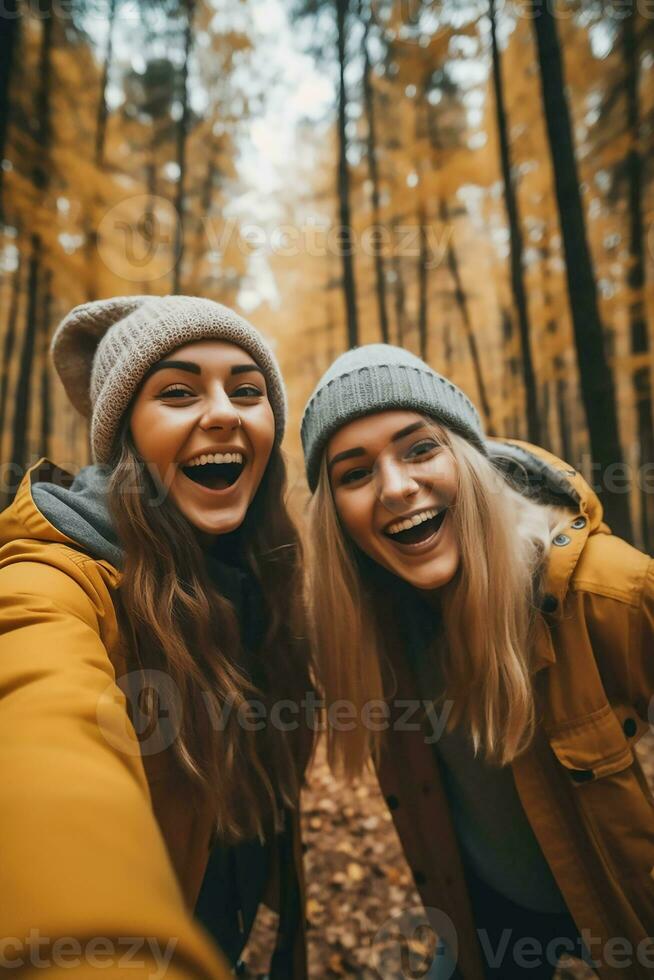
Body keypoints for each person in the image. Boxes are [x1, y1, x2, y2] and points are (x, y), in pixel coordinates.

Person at [300, 343, 654, 980]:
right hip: (486, 920)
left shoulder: (607, 591)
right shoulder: (370, 628)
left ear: (468, 458)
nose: (397, 486)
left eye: (420, 448)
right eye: (355, 473)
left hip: (624, 913)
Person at [0, 295, 313, 979]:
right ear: (125, 438)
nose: (225, 411)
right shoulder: (52, 581)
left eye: (248, 391)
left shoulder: (258, 576)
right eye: (177, 392)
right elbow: (41, 732)